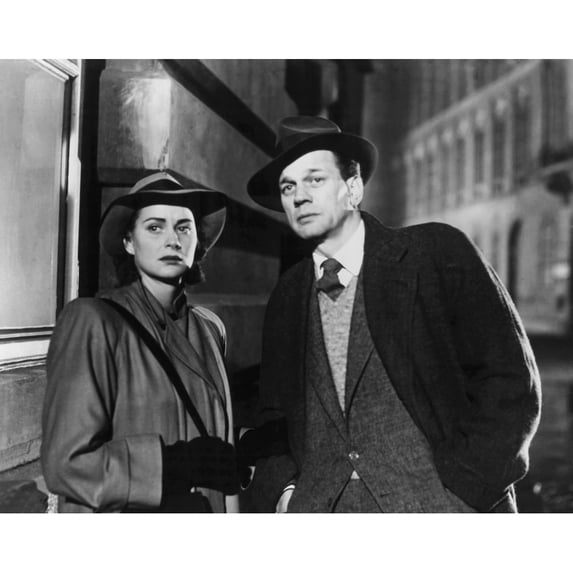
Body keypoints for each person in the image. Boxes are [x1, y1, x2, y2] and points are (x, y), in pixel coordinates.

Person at [241, 115, 542, 513]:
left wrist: (468, 491)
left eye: (315, 179)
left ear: (353, 188)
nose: (299, 197)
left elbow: (510, 380)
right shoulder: (288, 294)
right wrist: (283, 490)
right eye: (288, 186)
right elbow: (272, 418)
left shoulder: (433, 253)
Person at [41, 171, 243, 513]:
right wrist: (171, 465)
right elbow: (66, 463)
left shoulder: (210, 330)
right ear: (129, 242)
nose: (172, 240)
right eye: (154, 227)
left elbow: (216, 446)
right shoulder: (93, 321)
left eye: (184, 228)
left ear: (198, 242)